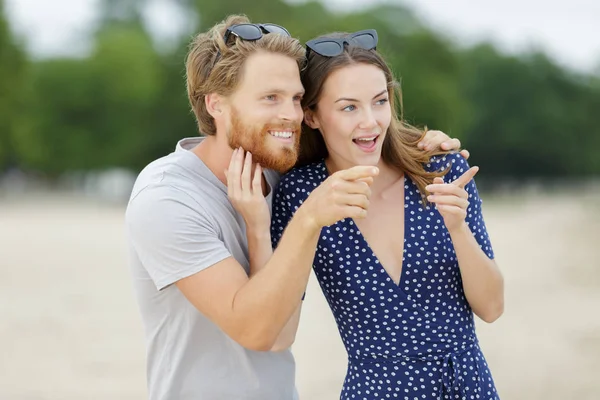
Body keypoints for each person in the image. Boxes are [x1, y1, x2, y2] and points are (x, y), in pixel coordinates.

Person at [125, 14, 464, 400]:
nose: (290, 114)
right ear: (216, 104)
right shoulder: (167, 199)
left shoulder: (278, 170)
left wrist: (422, 144)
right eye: (270, 97)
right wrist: (305, 219)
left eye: (296, 98)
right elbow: (257, 331)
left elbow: (356, 129)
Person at [270, 29, 504, 399]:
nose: (371, 122)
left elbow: (491, 308)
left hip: (467, 387)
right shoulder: (302, 194)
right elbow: (280, 332)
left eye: (379, 102)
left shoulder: (442, 170)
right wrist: (270, 222)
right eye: (349, 107)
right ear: (312, 116)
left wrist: (458, 230)